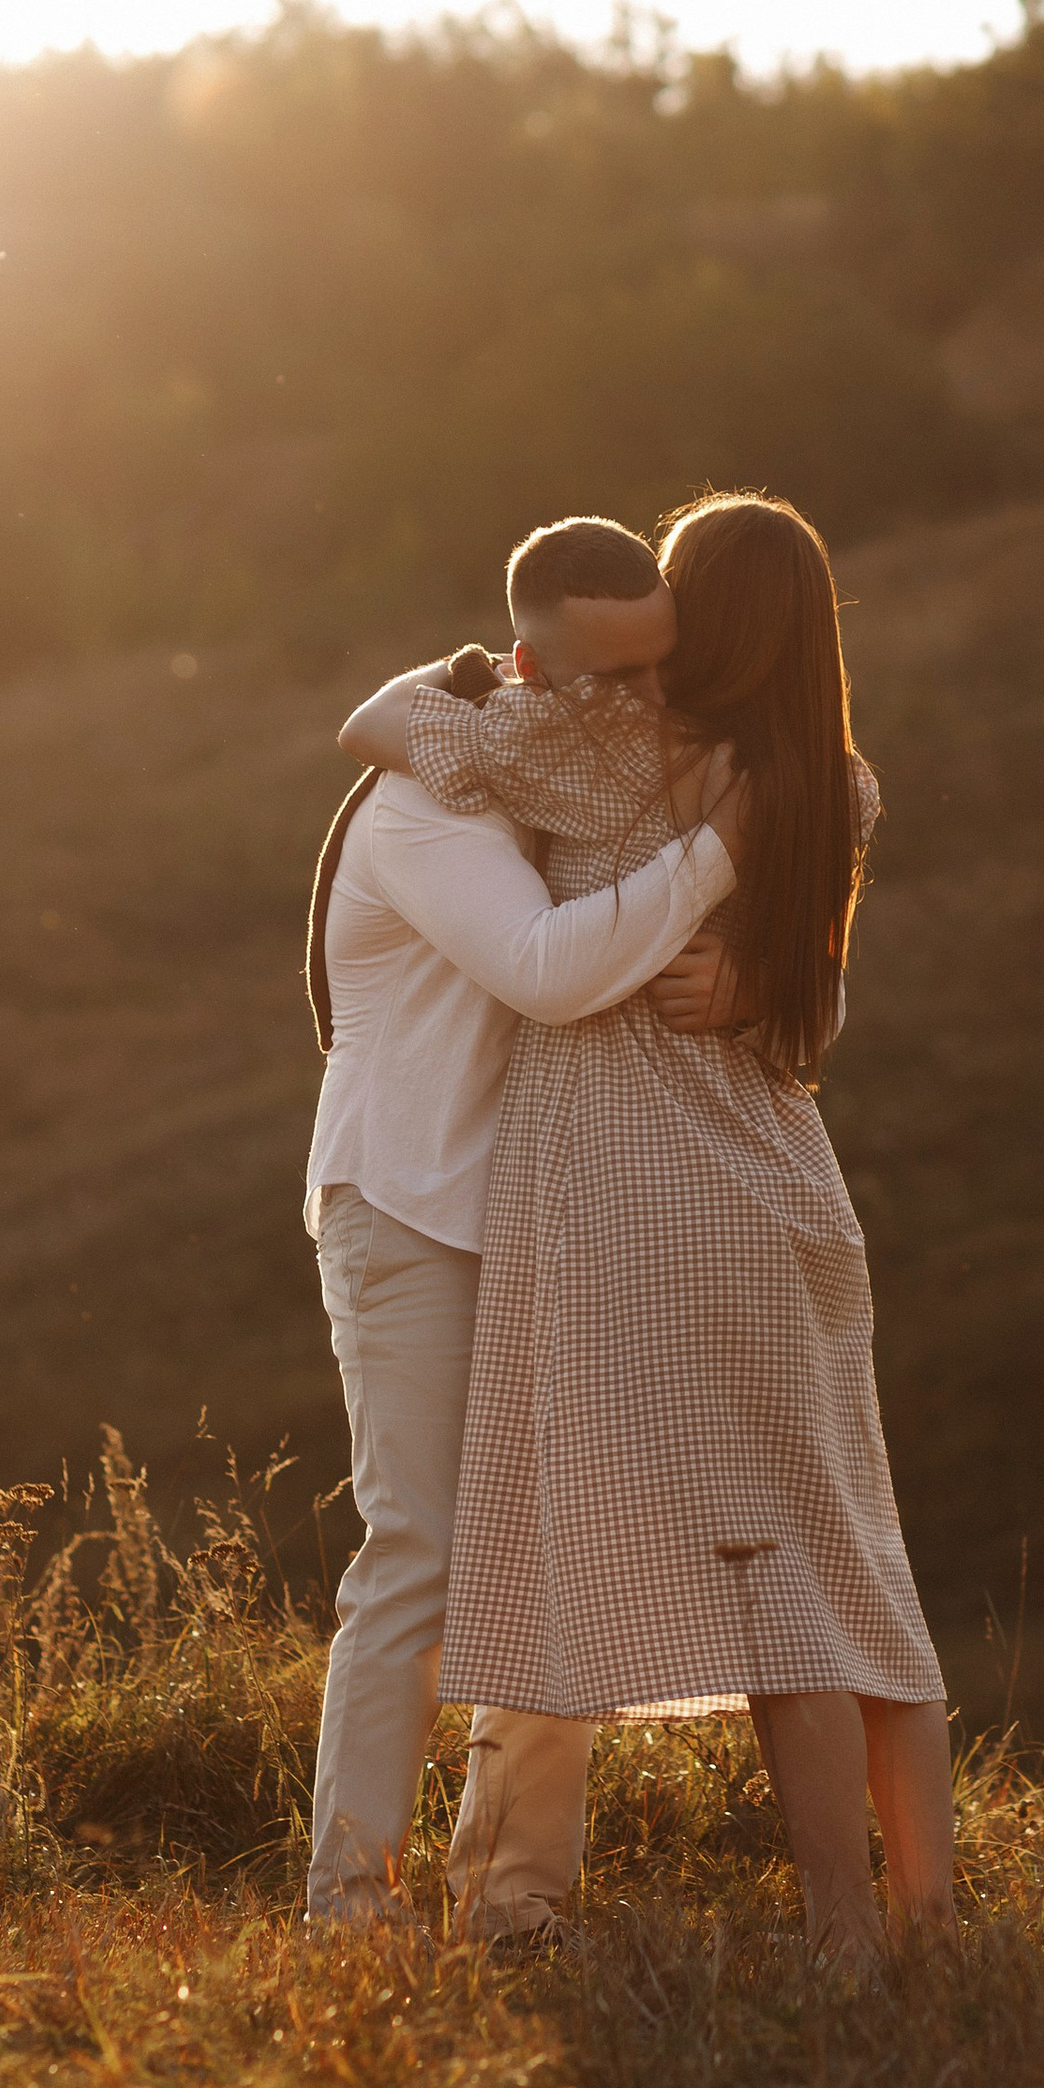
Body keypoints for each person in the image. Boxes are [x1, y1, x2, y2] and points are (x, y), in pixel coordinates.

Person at [338, 488, 955, 1968]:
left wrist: (494, 667)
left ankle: (484, 1905)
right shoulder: (831, 783)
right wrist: (757, 956)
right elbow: (814, 990)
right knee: (837, 1554)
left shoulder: (595, 747)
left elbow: (377, 727)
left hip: (628, 1189)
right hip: (787, 1188)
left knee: (632, 1543)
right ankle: (906, 1928)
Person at [302, 515, 749, 1932]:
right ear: (524, 662)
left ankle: (513, 1904)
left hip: (553, 1221)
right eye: (605, 678)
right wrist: (727, 848)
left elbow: (748, 973)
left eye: (655, 675)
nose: (636, 705)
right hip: (411, 1206)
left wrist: (750, 979)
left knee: (559, 1552)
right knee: (423, 1554)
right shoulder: (428, 806)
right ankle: (350, 1909)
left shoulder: (581, 799)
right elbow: (554, 972)